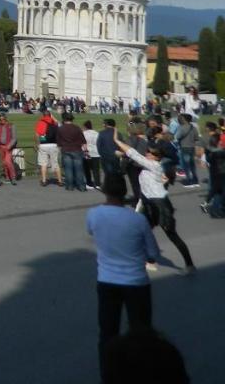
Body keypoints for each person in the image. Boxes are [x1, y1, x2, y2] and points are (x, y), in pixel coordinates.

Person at [86, 174, 158, 366]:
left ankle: (109, 372)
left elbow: (91, 231)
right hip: (136, 281)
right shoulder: (137, 220)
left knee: (108, 333)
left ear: (104, 190)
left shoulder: (93, 214)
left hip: (107, 280)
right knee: (141, 332)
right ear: (124, 192)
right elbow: (153, 253)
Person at [115, 136, 194, 272]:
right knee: (141, 232)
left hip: (159, 205)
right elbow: (147, 189)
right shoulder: (152, 166)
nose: (146, 153)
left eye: (149, 153)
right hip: (148, 203)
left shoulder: (154, 165)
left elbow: (134, 154)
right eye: (147, 151)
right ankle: (148, 261)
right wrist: (140, 207)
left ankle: (189, 264)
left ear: (156, 157)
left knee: (172, 235)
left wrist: (117, 141)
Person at [57, 113, 88, 192]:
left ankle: (70, 186)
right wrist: (86, 150)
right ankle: (81, 186)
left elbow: (58, 142)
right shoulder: (77, 128)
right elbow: (83, 141)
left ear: (64, 119)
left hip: (66, 150)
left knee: (68, 169)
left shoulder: (61, 128)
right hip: (77, 149)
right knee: (79, 170)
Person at [36, 110, 63, 186]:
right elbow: (60, 125)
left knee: (43, 163)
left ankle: (44, 180)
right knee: (55, 163)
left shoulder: (40, 122)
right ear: (50, 115)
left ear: (43, 115)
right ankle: (60, 181)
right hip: (54, 144)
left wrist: (38, 144)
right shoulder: (54, 123)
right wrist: (53, 117)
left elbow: (37, 134)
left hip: (43, 144)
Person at [0, 113, 18, 185]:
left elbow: (14, 138)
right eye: (0, 119)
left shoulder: (11, 125)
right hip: (0, 146)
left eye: (3, 119)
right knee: (4, 163)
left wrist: (10, 145)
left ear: (5, 118)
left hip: (8, 147)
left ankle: (13, 177)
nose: (2, 121)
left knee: (8, 162)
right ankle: (7, 177)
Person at [82, 120, 102, 189]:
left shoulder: (83, 133)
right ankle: (97, 184)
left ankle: (89, 183)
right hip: (96, 153)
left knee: (87, 169)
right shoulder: (96, 133)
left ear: (85, 127)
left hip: (87, 153)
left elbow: (82, 143)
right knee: (96, 169)